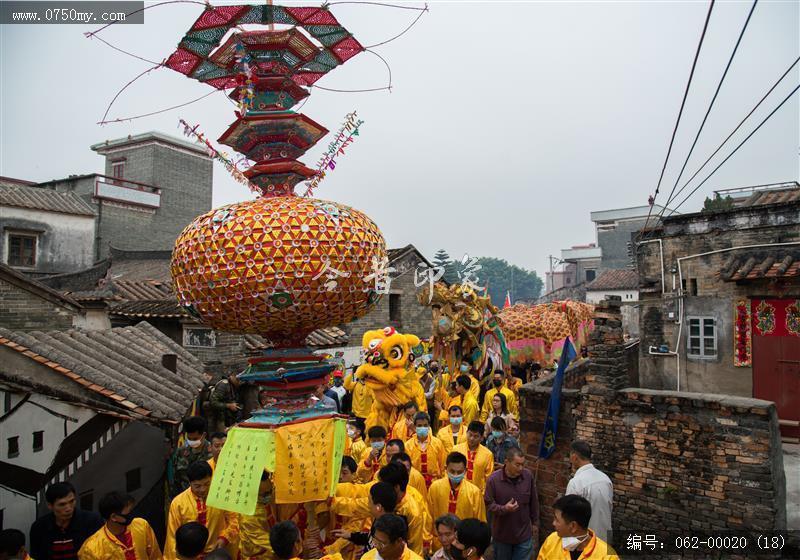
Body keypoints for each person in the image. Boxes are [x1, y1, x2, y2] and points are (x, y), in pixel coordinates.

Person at [165, 461, 238, 559]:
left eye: (207, 484)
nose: (203, 489)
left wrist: (224, 538)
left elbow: (234, 520)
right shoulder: (178, 503)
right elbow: (173, 538)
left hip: (216, 554)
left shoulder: (221, 496)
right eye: (197, 486)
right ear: (190, 483)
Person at [485, 448, 539, 560]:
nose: (521, 468)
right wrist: (504, 508)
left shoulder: (527, 476)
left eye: (522, 465)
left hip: (524, 535)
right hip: (502, 537)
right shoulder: (493, 480)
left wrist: (535, 523)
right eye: (517, 465)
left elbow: (533, 501)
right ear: (506, 462)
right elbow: (489, 505)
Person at [29, 482, 103, 560]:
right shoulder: (39, 527)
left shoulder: (92, 521)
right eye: (62, 504)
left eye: (72, 501)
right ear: (50, 506)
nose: (68, 508)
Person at [77, 492, 161, 559]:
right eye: (128, 512)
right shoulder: (91, 549)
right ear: (113, 517)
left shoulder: (141, 525)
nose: (131, 514)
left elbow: (156, 556)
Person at [536, 495, 618, 560]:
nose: (553, 523)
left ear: (573, 526)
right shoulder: (552, 541)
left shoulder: (607, 556)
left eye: (557, 520)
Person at [565, 441, 613, 542]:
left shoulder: (576, 483)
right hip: (605, 539)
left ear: (574, 457)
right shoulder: (605, 479)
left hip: (586, 542)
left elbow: (569, 517)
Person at [428, 452, 486, 525]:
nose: (455, 475)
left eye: (459, 472)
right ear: (446, 468)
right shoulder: (435, 487)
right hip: (439, 535)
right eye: (452, 471)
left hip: (465, 535)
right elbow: (428, 516)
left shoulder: (474, 492)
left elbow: (480, 521)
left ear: (465, 471)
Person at [169, 416, 212, 497]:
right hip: (184, 496)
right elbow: (176, 478)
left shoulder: (212, 454)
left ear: (204, 435)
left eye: (195, 439)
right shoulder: (181, 451)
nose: (191, 441)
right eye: (189, 438)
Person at [238, 471, 275, 560]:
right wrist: (287, 549)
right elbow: (263, 539)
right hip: (259, 555)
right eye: (265, 494)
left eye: (271, 491)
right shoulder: (248, 516)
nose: (269, 496)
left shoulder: (266, 502)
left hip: (272, 549)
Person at [405, 412, 447, 488]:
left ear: (429, 426)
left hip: (434, 484)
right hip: (415, 484)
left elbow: (443, 466)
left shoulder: (437, 443)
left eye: (425, 425)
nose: (422, 428)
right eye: (419, 425)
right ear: (414, 426)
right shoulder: (408, 445)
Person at [453, 421, 494, 493]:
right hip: (458, 491)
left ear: (481, 438)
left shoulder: (488, 454)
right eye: (470, 435)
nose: (472, 438)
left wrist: (483, 494)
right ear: (466, 433)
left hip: (478, 493)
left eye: (476, 436)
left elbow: (489, 478)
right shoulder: (456, 450)